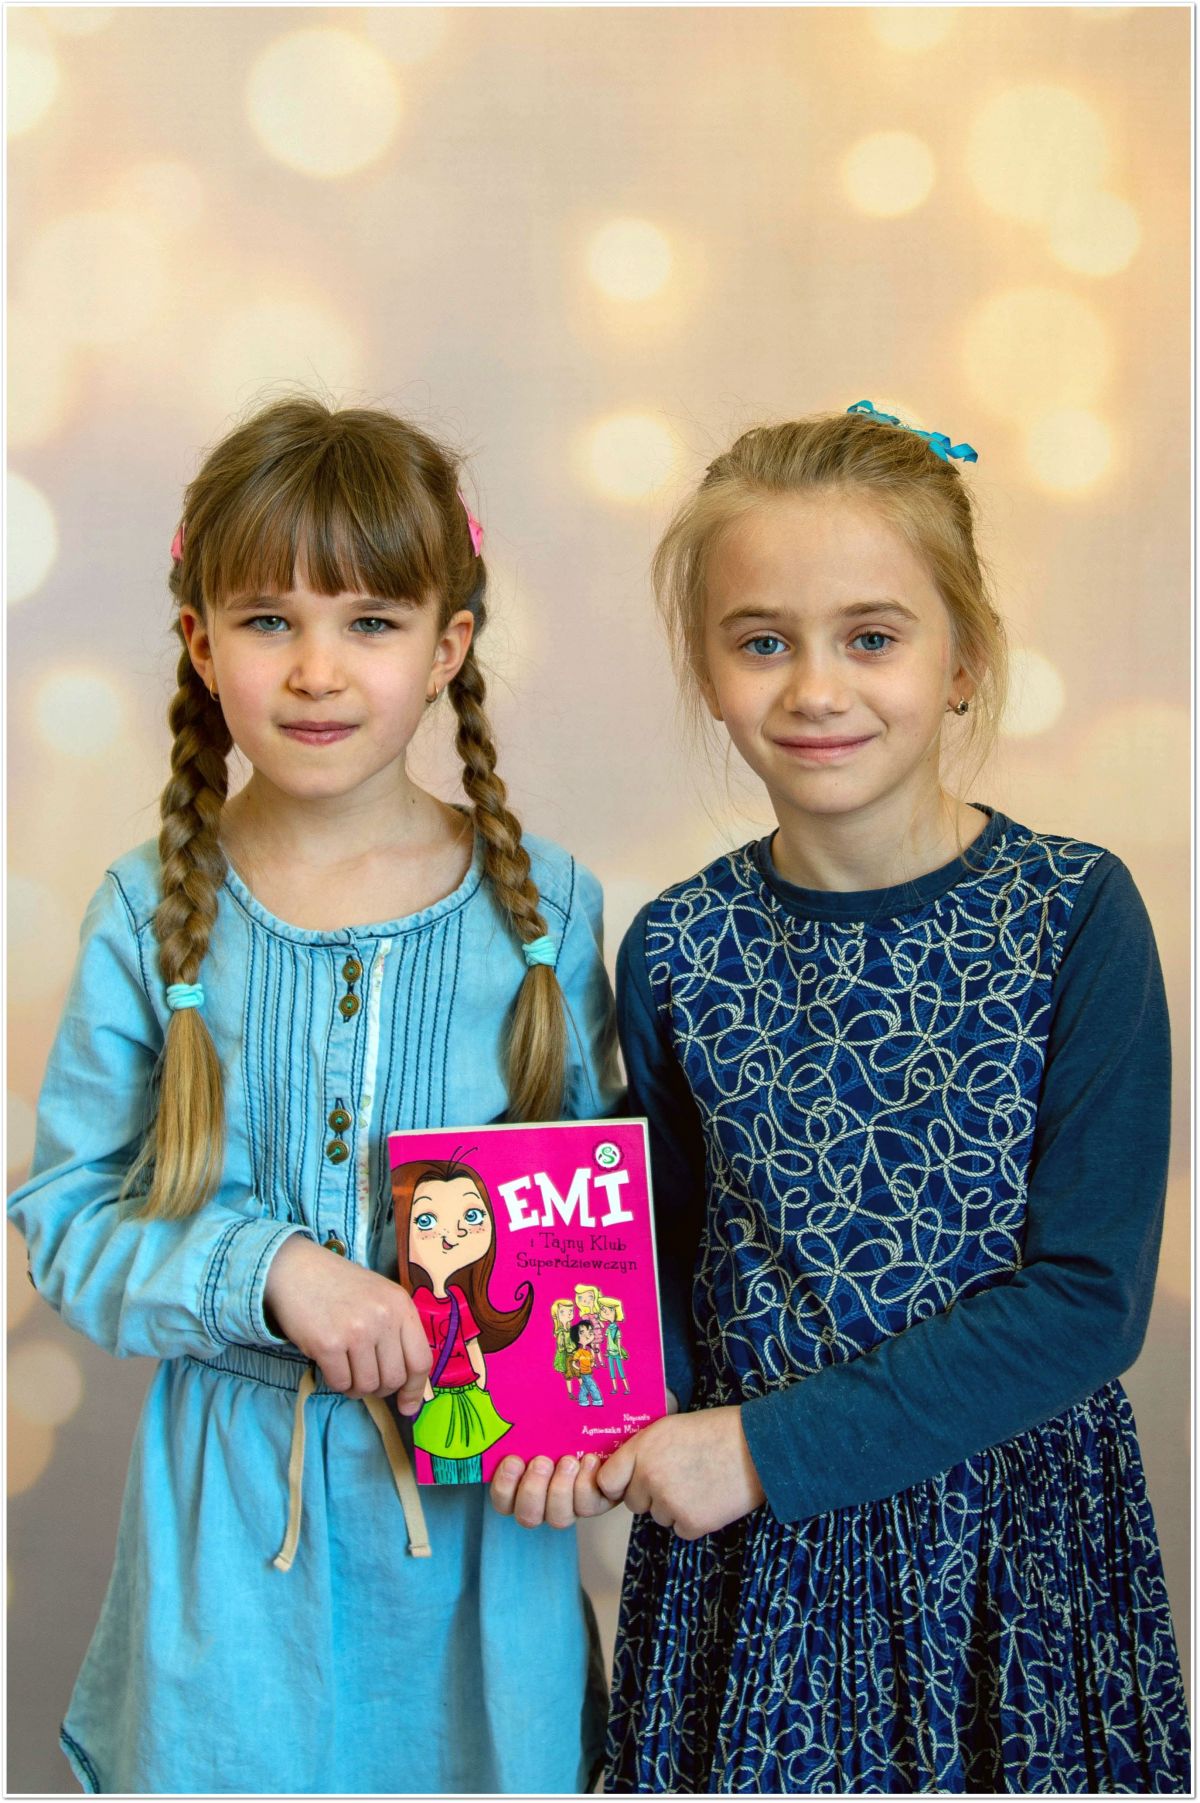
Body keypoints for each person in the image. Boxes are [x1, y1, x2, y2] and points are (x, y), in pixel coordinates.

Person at [8, 397, 615, 1796]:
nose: (317, 669)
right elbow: (67, 1213)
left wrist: (579, 1420)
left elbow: (603, 1234)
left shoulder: (549, 914)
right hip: (233, 1538)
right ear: (199, 641)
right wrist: (274, 1269)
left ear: (448, 646)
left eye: (372, 621)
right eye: (269, 619)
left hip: (479, 1532)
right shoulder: (144, 915)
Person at [578, 402, 1187, 1791]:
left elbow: (1089, 1300)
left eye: (871, 637)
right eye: (762, 642)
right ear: (707, 670)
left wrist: (764, 1449)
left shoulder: (1074, 915)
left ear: (963, 659)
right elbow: (664, 1270)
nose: (815, 688)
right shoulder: (675, 949)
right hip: (755, 1583)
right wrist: (562, 1402)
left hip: (1009, 1558)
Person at [393, 1156, 533, 1481]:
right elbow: (422, 1351)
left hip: (468, 1390)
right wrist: (426, 1391)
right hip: (437, 1393)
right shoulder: (419, 1303)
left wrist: (480, 1377)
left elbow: (470, 1343)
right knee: (443, 1459)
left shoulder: (459, 1298)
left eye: (471, 1216)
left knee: (473, 1455)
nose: (453, 1234)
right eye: (426, 1220)